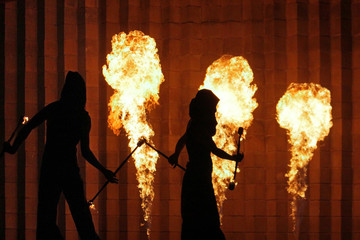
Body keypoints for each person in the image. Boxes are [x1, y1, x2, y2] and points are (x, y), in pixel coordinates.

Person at [3, 71, 118, 240]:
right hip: (69, 169)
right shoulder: (82, 117)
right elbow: (85, 152)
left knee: (46, 217)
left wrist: (13, 148)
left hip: (50, 167)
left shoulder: (55, 108)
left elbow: (28, 127)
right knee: (82, 218)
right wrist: (103, 170)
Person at [169, 89, 244, 240]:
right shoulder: (199, 128)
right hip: (199, 181)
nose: (214, 115)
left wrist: (176, 155)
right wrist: (233, 158)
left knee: (196, 221)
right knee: (207, 221)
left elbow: (183, 140)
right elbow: (214, 150)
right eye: (212, 110)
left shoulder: (193, 124)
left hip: (196, 178)